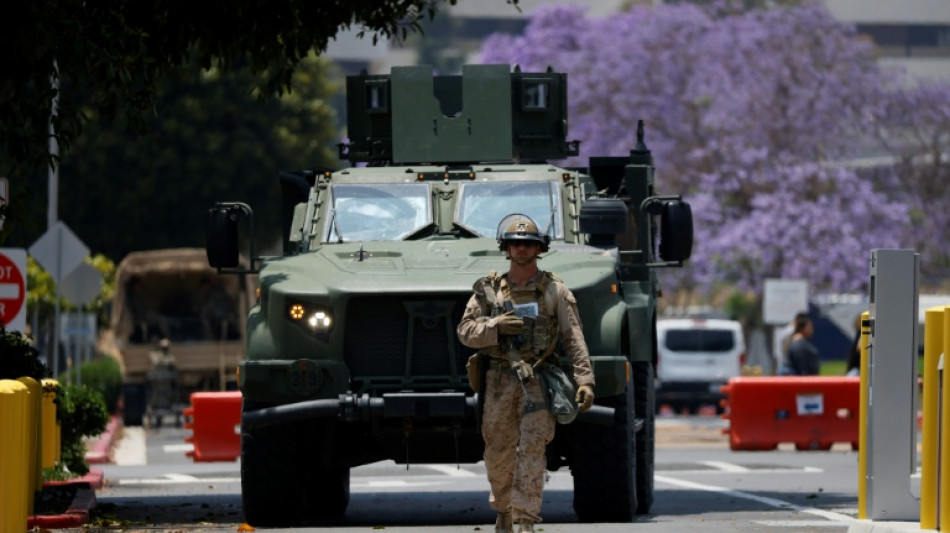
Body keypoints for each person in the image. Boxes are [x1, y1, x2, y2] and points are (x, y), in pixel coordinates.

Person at [457, 214, 595, 533]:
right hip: (499, 381)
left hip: (538, 380)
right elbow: (465, 332)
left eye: (529, 244)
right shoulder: (489, 291)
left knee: (532, 449)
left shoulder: (555, 291)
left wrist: (585, 380)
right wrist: (495, 326)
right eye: (515, 243)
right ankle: (504, 511)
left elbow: (574, 338)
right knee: (498, 453)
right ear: (506, 248)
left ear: (539, 249)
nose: (522, 249)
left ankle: (526, 519)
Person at [785, 312, 820, 376]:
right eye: (810, 327)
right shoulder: (798, 345)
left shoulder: (796, 343)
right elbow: (802, 370)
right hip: (804, 380)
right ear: (802, 328)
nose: (812, 330)